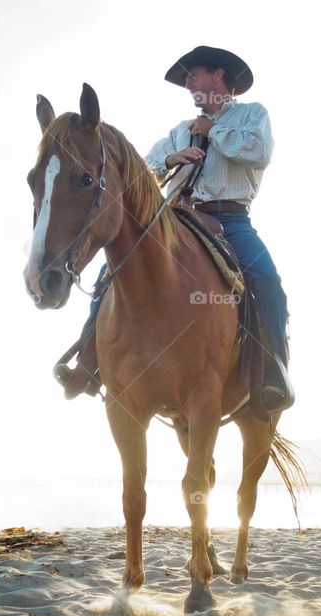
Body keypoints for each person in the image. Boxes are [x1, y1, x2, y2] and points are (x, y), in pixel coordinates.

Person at [55, 46, 293, 413]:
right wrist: (170, 159)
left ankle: (274, 372)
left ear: (218, 75)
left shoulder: (251, 114)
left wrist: (213, 132)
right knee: (112, 270)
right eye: (185, 80)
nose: (188, 84)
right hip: (175, 214)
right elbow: (143, 169)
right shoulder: (179, 131)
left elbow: (258, 153)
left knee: (266, 277)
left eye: (193, 76)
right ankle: (88, 361)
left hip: (230, 218)